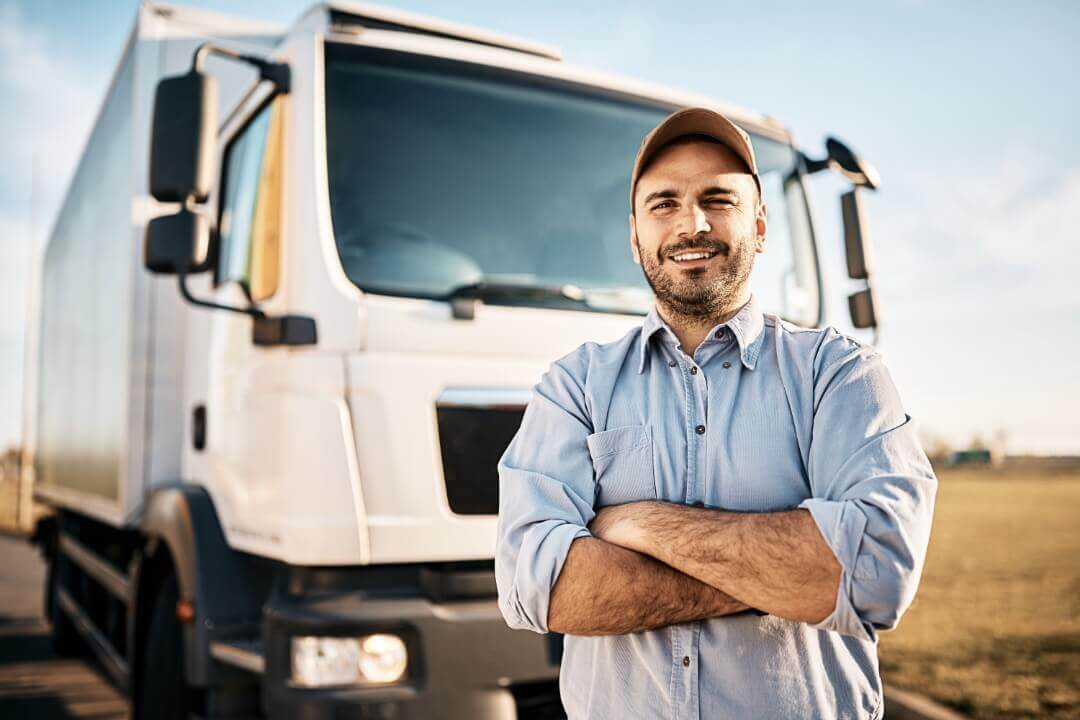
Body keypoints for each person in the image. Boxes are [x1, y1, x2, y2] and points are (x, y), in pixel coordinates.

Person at [494, 107, 937, 719]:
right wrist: (781, 577)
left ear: (759, 224)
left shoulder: (840, 374)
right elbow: (539, 587)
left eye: (717, 200)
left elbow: (874, 575)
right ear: (634, 235)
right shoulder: (575, 386)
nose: (691, 224)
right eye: (664, 204)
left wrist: (643, 525)